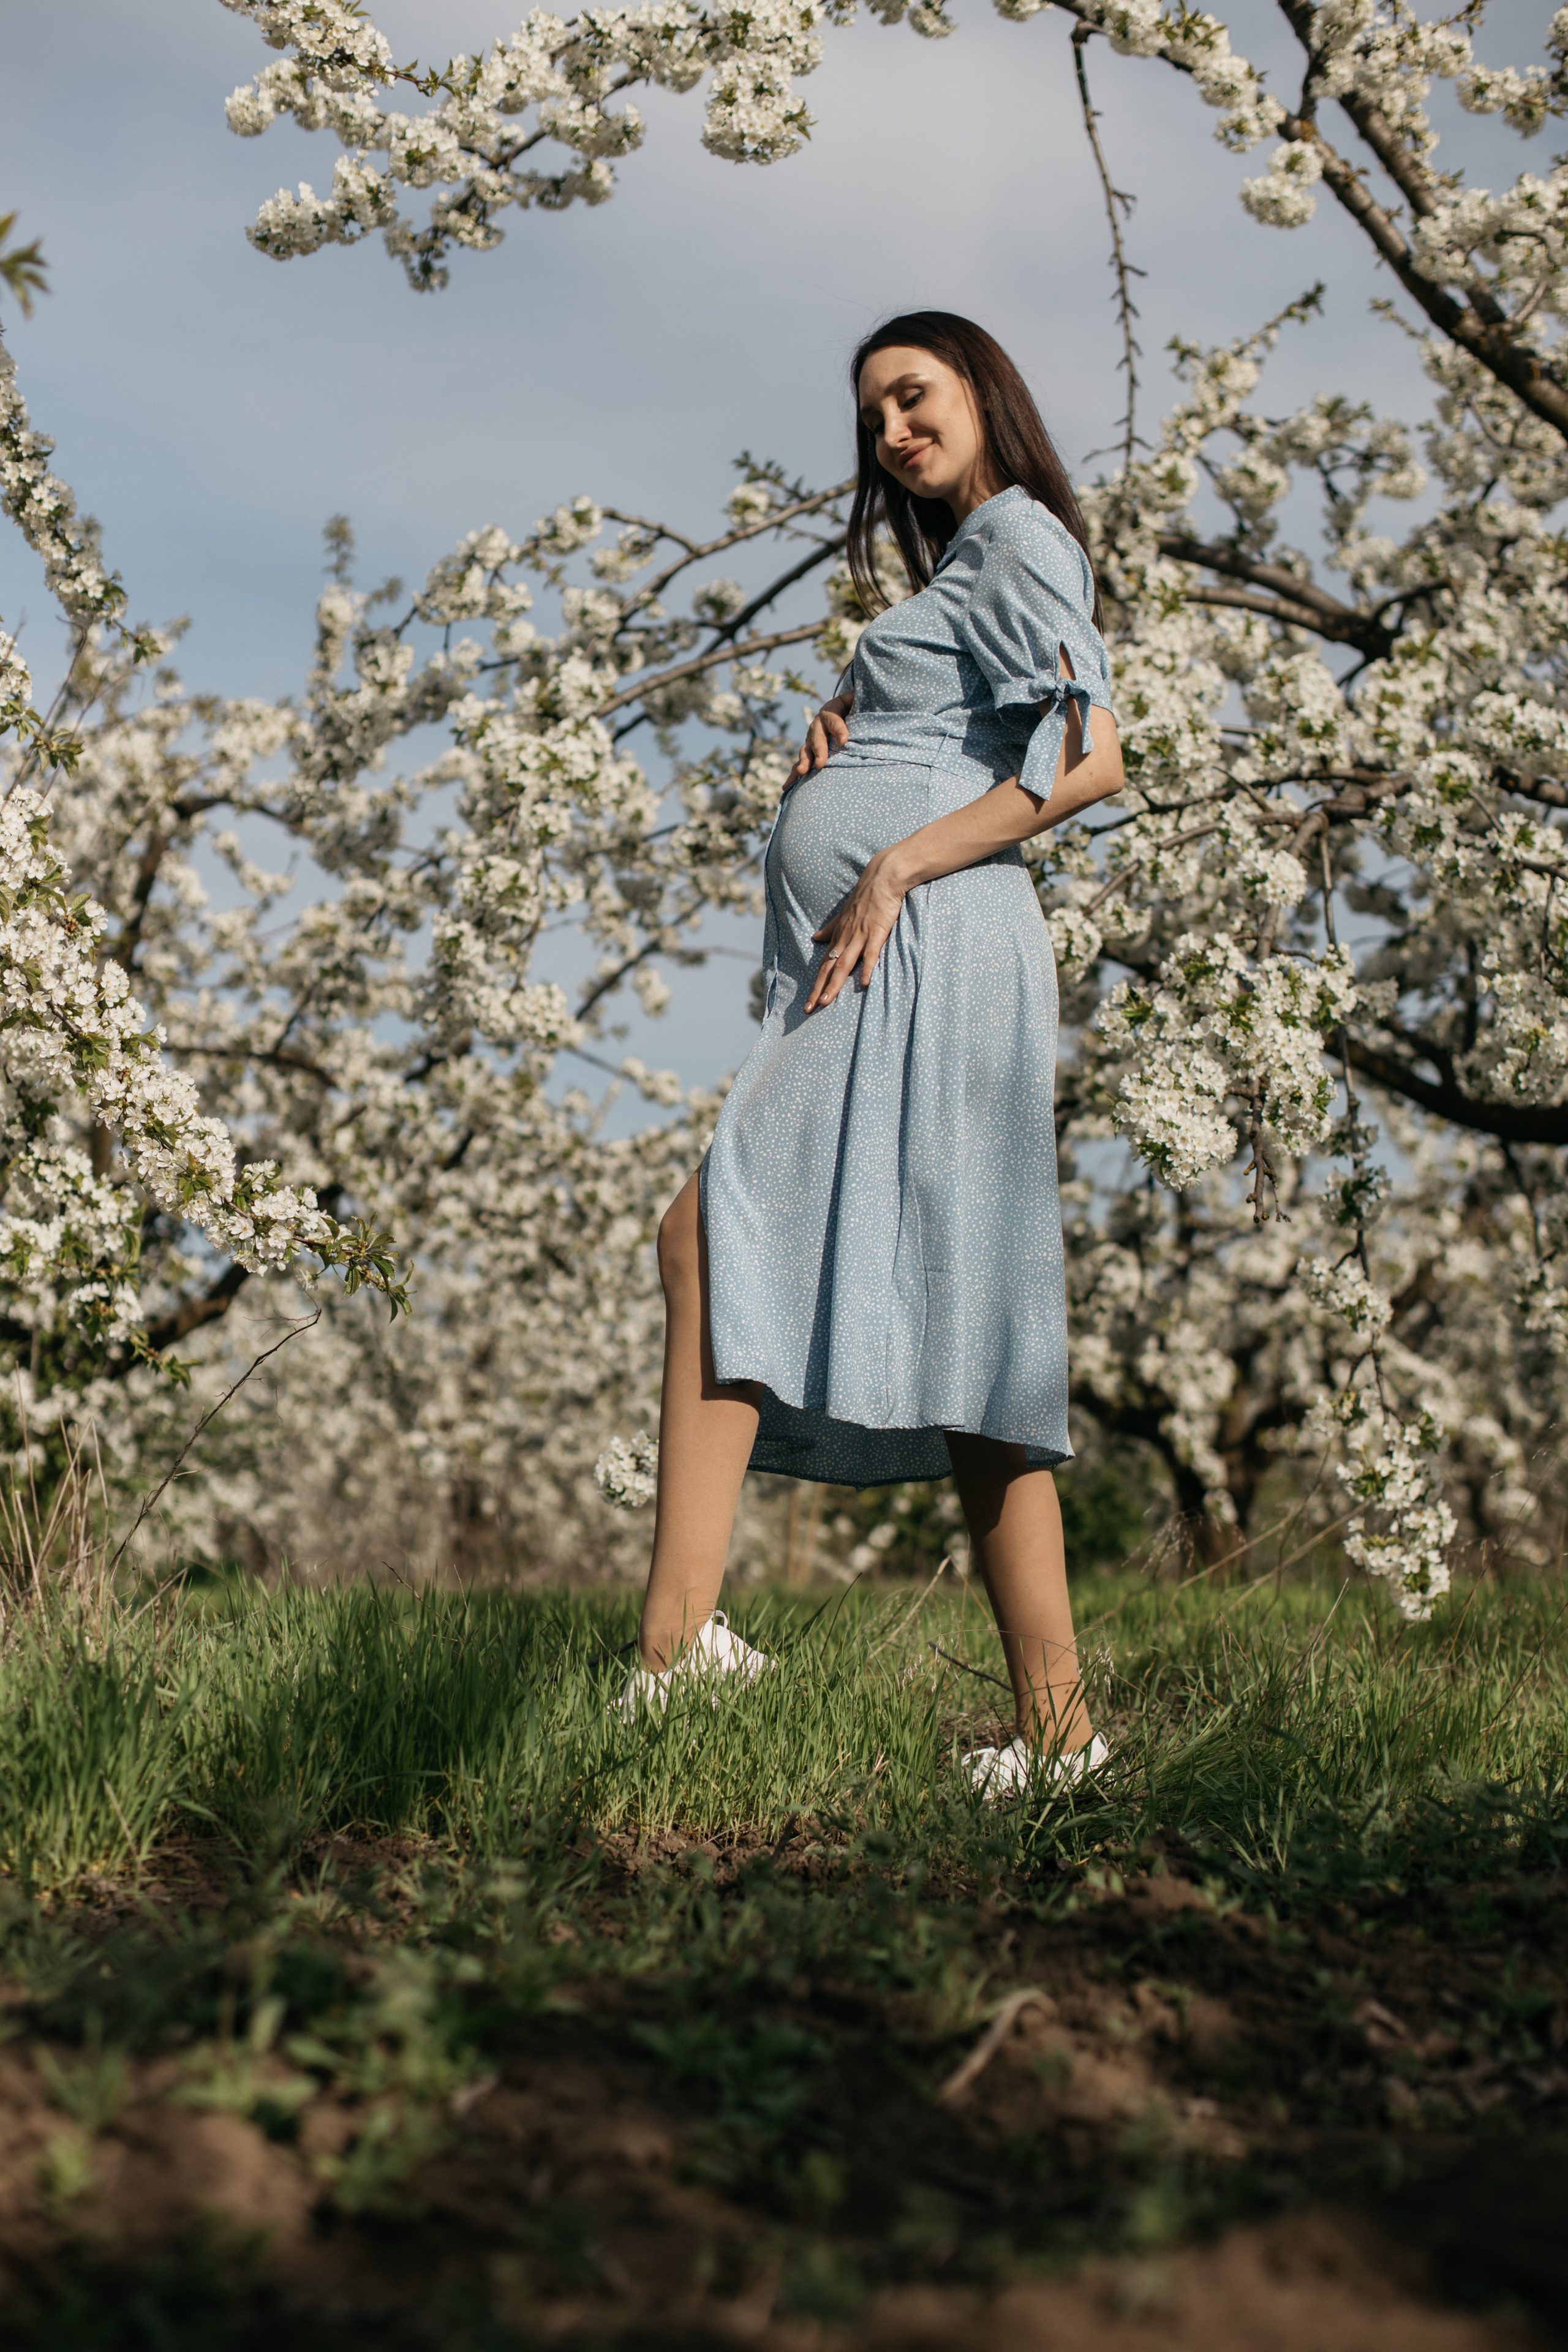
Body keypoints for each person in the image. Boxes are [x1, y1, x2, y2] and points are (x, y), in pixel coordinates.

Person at [617, 311, 1125, 1799]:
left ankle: (674, 1650)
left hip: (934, 941)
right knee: (957, 1318)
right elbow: (974, 716)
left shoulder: (1021, 535)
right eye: (875, 418)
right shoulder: (966, 566)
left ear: (979, 390)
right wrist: (854, 714)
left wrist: (895, 862)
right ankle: (1057, 1731)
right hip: (906, 947)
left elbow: (1093, 755)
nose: (893, 431)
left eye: (913, 397)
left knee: (708, 1233)